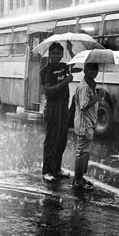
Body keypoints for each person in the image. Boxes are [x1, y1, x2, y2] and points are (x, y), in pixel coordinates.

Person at [40, 42, 74, 182]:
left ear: (62, 55)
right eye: (53, 53)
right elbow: (48, 90)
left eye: (58, 53)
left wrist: (71, 51)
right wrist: (65, 82)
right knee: (51, 140)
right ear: (49, 54)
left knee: (61, 139)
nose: (56, 56)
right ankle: (47, 170)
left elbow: (75, 65)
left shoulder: (64, 67)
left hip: (63, 107)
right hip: (52, 107)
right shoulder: (46, 70)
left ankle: (57, 168)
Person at [72, 62, 105, 190]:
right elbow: (84, 106)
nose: (93, 72)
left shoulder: (91, 85)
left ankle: (80, 177)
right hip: (84, 124)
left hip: (89, 123)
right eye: (90, 69)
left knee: (85, 153)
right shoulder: (84, 87)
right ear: (85, 70)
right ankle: (78, 181)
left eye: (95, 70)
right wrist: (98, 97)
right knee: (82, 153)